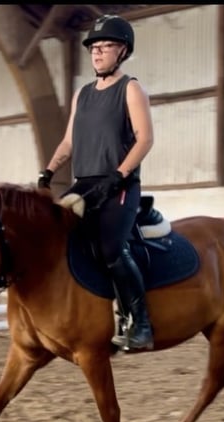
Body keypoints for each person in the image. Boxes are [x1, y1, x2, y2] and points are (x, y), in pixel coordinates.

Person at [37, 14, 155, 351]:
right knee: (54, 236)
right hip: (84, 183)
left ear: (123, 51)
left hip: (119, 184)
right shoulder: (82, 95)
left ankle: (140, 322)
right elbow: (69, 142)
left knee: (109, 248)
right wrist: (48, 170)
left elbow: (145, 140)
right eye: (94, 48)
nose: (98, 53)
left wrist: (119, 175)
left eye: (105, 47)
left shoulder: (131, 89)